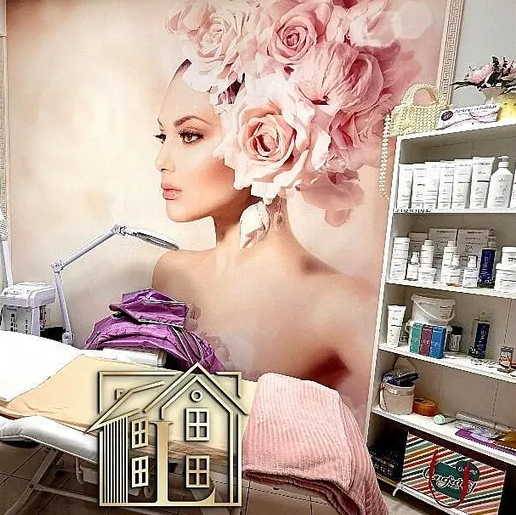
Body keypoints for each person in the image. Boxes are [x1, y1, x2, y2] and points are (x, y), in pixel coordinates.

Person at [151, 65, 377, 410]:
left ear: (269, 139)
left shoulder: (341, 305)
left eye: (190, 135)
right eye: (162, 136)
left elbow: (413, 423)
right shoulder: (170, 274)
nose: (161, 160)